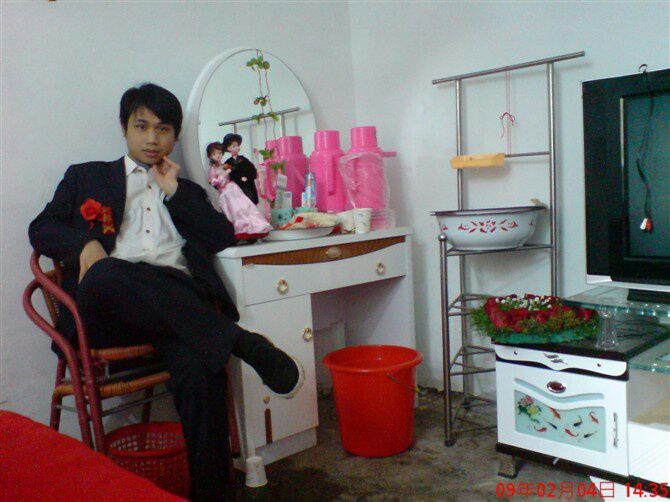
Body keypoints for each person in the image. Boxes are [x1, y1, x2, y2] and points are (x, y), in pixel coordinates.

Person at [29, 83, 303, 502]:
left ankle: (213, 494)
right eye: (142, 126)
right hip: (109, 307)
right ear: (125, 128)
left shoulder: (187, 190)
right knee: (105, 273)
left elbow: (220, 235)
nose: (152, 138)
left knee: (200, 365)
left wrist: (173, 190)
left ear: (175, 136)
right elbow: (41, 228)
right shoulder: (86, 176)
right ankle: (241, 341)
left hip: (178, 309)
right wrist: (84, 245)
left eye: (163, 129)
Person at [207, 142, 271, 241]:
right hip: (225, 193)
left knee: (244, 207)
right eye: (214, 154)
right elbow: (213, 182)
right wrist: (222, 176)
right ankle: (238, 231)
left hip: (234, 189)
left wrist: (238, 175)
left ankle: (251, 229)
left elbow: (233, 174)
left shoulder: (225, 165)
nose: (217, 156)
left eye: (219, 153)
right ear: (210, 156)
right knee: (233, 211)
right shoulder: (213, 169)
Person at [222, 133, 259, 205]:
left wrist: (247, 177)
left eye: (237, 145)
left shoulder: (243, 159)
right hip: (236, 188)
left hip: (248, 186)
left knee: (250, 203)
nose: (237, 147)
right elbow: (228, 176)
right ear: (228, 148)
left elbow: (252, 169)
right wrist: (238, 179)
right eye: (234, 146)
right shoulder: (227, 163)